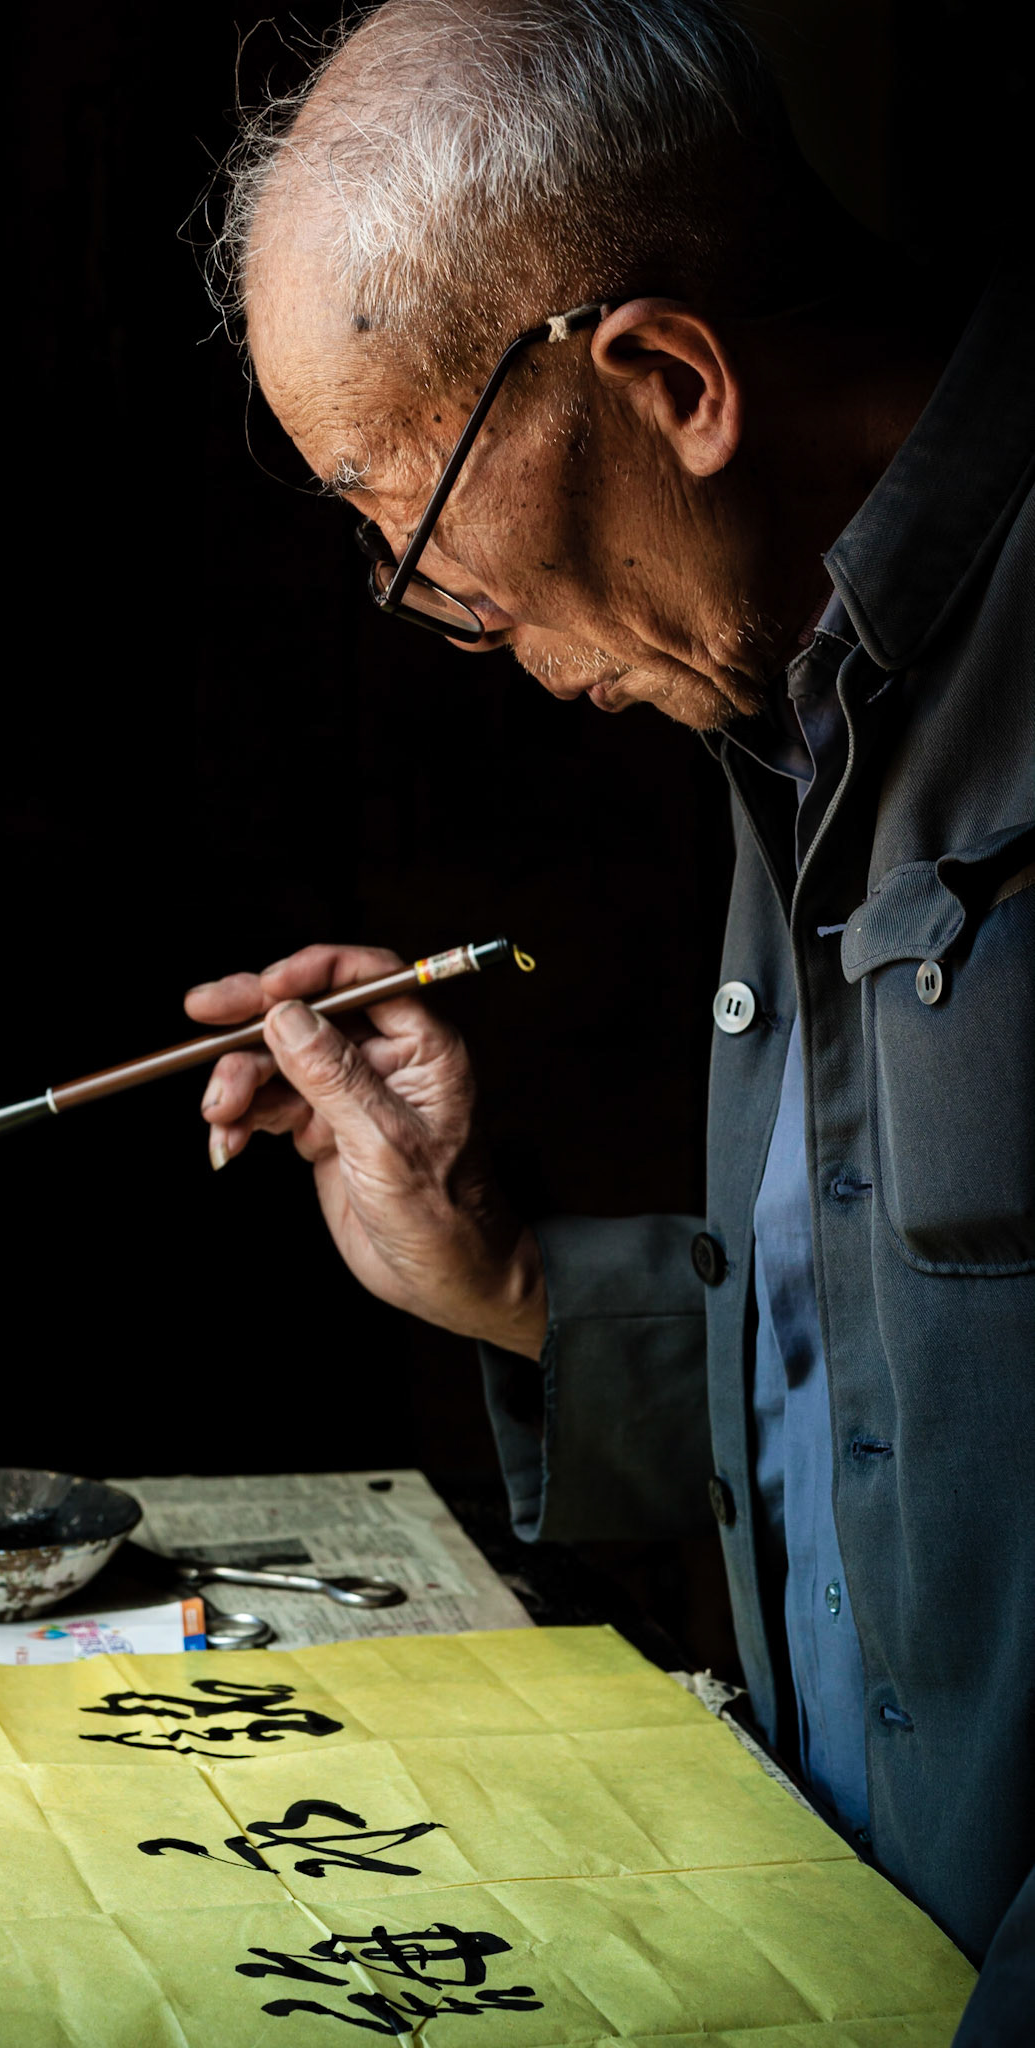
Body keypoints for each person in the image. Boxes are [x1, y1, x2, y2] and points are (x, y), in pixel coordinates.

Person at [185, 2, 1033, 2031]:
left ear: (663, 375)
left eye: (410, 507)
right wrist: (504, 1284)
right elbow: (905, 1419)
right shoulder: (787, 694)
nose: (421, 596)